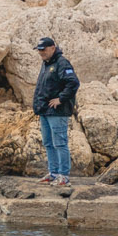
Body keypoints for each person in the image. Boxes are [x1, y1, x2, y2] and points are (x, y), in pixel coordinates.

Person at [33, 36, 79, 182]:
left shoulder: (62, 63)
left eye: (43, 49)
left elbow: (73, 83)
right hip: (45, 110)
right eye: (39, 50)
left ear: (53, 48)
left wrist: (61, 99)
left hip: (57, 111)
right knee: (48, 143)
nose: (41, 52)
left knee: (60, 143)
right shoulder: (46, 63)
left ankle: (63, 175)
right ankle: (53, 173)